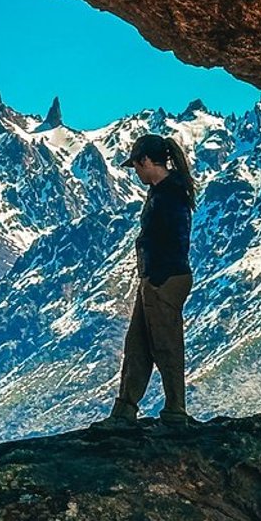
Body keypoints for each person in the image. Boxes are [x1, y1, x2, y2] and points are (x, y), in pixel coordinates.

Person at [99, 131, 196, 430]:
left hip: (164, 278)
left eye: (137, 166)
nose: (136, 173)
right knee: (138, 344)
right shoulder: (162, 191)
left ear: (146, 161)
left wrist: (157, 275)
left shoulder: (171, 195)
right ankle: (124, 410)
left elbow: (175, 239)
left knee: (166, 344)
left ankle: (176, 411)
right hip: (154, 278)